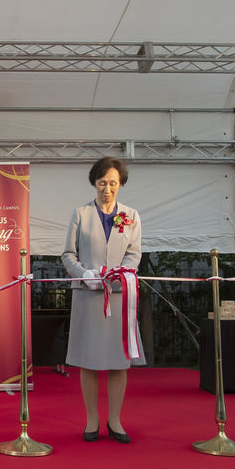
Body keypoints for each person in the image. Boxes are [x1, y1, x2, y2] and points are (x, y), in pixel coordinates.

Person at [61, 157, 144, 443]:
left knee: (118, 361)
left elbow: (134, 254)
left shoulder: (131, 215)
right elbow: (67, 254)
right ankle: (92, 419)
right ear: (94, 182)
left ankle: (115, 420)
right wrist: (86, 274)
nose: (107, 189)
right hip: (88, 295)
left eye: (113, 183)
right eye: (102, 182)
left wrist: (121, 274)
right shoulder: (81, 213)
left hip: (120, 297)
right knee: (89, 360)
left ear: (120, 185)